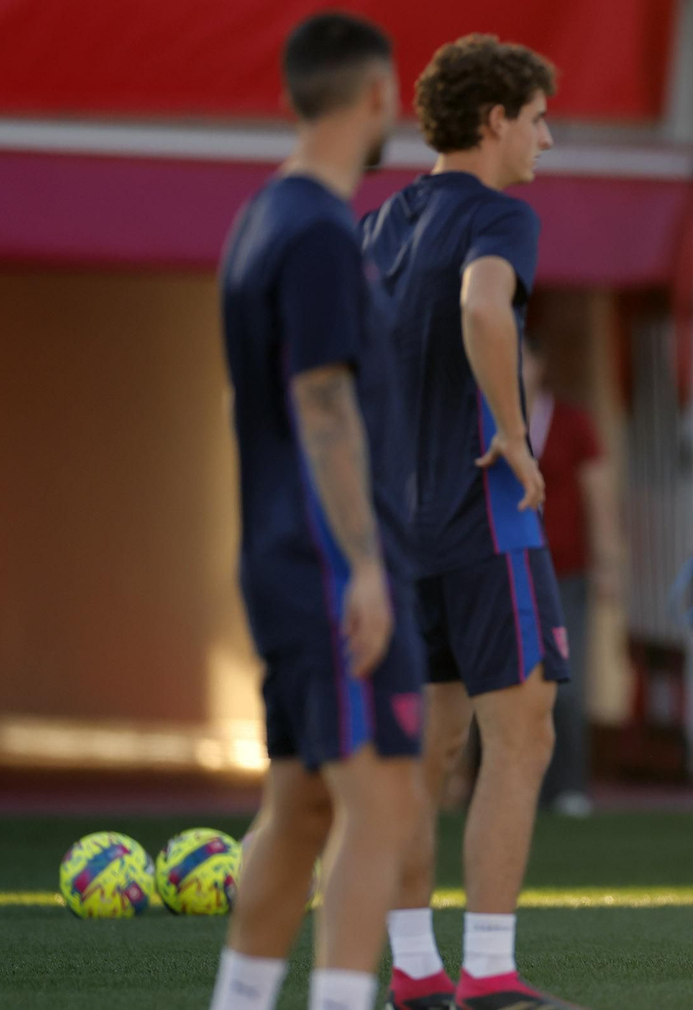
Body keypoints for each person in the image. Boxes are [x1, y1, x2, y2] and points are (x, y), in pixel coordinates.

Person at [211, 13, 423, 1010]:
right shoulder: (321, 234)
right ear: (376, 95)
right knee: (383, 804)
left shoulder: (260, 218)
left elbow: (241, 401)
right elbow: (321, 398)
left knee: (298, 806)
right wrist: (364, 564)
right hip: (331, 562)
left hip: (282, 555)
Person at [359, 35, 576, 1010]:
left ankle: (413, 969)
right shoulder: (501, 215)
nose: (546, 138)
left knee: (425, 751)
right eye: (537, 119)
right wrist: (517, 438)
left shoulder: (375, 226)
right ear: (495, 121)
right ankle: (487, 974)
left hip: (392, 531)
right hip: (485, 522)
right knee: (521, 741)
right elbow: (485, 308)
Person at [525, 336, 623, 818]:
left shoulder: (570, 421)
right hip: (503, 570)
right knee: (506, 680)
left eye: (523, 358)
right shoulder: (485, 421)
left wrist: (608, 562)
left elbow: (598, 494)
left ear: (540, 364)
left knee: (566, 681)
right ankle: (510, 784)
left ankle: (568, 785)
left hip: (565, 569)